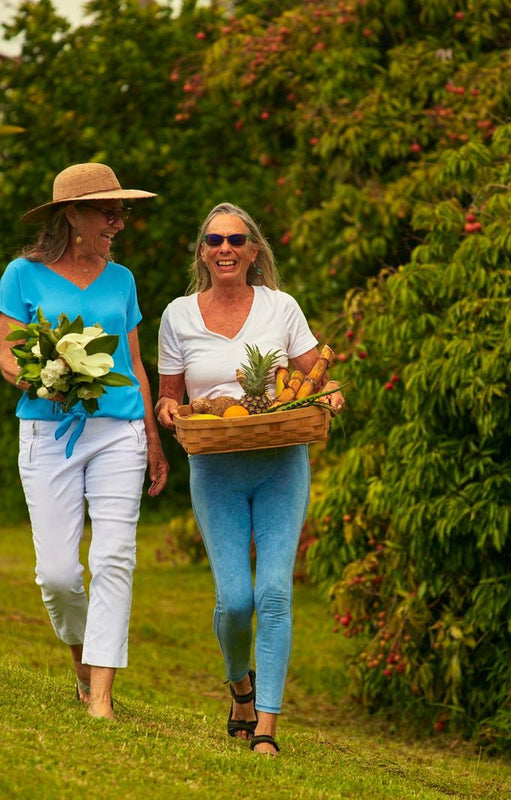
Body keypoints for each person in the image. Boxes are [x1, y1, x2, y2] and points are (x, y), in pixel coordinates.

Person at [155, 202, 344, 755]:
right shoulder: (178, 316)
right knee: (236, 599)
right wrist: (169, 413)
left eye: (236, 240)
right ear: (202, 253)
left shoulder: (281, 306)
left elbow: (315, 374)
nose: (225, 249)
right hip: (215, 468)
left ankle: (267, 726)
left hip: (281, 463)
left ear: (253, 251)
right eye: (215, 240)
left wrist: (331, 392)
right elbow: (169, 396)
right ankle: (240, 684)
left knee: (275, 592)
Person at [0, 163, 169, 720]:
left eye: (122, 212)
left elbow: (135, 366)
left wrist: (154, 443)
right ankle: (81, 660)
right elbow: (8, 357)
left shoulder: (122, 280)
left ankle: (101, 698)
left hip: (119, 432)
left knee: (114, 557)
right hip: (48, 432)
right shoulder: (21, 275)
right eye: (108, 212)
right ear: (73, 215)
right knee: (58, 575)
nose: (119, 222)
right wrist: (45, 377)